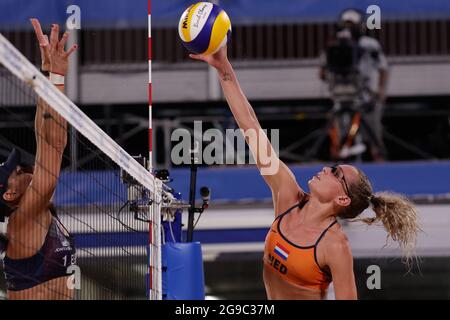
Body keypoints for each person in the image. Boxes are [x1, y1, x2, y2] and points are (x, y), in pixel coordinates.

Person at [190, 46, 420, 300]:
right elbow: (251, 128)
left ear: (342, 200)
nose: (326, 169)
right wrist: (224, 70)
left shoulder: (335, 245)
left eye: (335, 173)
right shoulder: (287, 193)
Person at [0, 19, 77, 300]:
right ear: (10, 194)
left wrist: (47, 78)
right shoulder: (23, 221)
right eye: (13, 172)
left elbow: (44, 138)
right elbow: (55, 146)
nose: (20, 168)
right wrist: (58, 78)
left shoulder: (34, 213)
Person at [319, 9, 389, 162]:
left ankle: (381, 164)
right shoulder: (335, 44)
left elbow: (383, 67)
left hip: (367, 96)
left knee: (374, 134)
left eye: (352, 24)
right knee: (343, 136)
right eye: (346, 24)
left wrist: (381, 90)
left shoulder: (370, 45)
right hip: (343, 95)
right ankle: (342, 172)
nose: (348, 28)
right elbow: (323, 71)